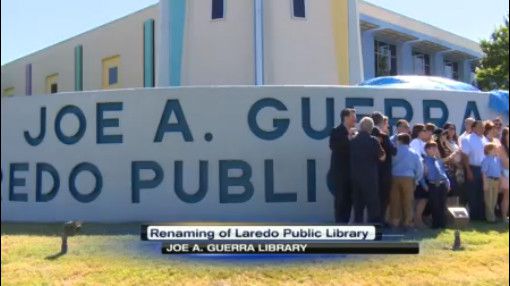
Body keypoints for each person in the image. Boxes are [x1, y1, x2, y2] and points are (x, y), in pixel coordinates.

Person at [350, 117, 386, 224]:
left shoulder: (353, 140)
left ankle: (358, 228)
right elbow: (382, 157)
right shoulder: (373, 140)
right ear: (371, 128)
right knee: (372, 204)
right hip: (370, 176)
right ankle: (373, 228)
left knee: (358, 204)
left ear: (360, 127)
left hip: (355, 176)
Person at [389, 133, 423, 228]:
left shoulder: (394, 152)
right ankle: (408, 223)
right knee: (408, 201)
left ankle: (395, 222)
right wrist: (416, 179)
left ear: (399, 141)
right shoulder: (414, 152)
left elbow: (389, 164)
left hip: (394, 177)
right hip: (409, 178)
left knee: (395, 201)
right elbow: (420, 168)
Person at [329, 108, 357, 223]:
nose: (355, 119)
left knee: (349, 199)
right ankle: (340, 223)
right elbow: (333, 146)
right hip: (340, 172)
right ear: (346, 117)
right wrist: (348, 138)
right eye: (353, 116)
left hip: (352, 172)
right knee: (340, 199)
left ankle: (346, 222)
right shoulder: (336, 130)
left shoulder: (356, 132)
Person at [372, 112, 397, 224]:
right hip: (384, 172)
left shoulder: (365, 133)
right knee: (383, 197)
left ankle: (374, 219)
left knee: (373, 198)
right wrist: (386, 135)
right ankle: (380, 220)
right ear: (382, 122)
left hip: (371, 171)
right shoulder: (383, 135)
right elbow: (393, 151)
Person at [461, 120, 488, 220]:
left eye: (483, 126)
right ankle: (473, 216)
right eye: (480, 126)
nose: (483, 128)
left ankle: (481, 215)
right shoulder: (467, 139)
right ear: (473, 128)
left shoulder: (484, 139)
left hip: (483, 169)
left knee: (481, 192)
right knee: (473, 192)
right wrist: (468, 170)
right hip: (472, 168)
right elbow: (465, 156)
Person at [420, 141, 451, 228]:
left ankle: (443, 224)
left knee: (442, 204)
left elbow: (443, 173)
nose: (434, 150)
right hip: (433, 185)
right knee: (435, 205)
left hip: (442, 184)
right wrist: (425, 186)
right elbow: (421, 176)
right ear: (426, 150)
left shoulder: (438, 160)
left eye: (435, 148)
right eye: (432, 148)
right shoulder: (424, 161)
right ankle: (436, 224)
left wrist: (448, 182)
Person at [481, 143, 502, 223]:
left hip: (496, 181)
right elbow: (484, 172)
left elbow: (499, 171)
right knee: (488, 199)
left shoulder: (497, 159)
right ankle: (490, 218)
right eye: (494, 148)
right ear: (489, 150)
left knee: (494, 200)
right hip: (489, 180)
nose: (496, 150)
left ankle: (492, 216)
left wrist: (500, 182)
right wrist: (485, 183)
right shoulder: (486, 159)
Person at [499, 127, 509, 222]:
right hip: (505, 175)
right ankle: (504, 216)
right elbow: (505, 163)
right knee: (506, 196)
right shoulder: (501, 147)